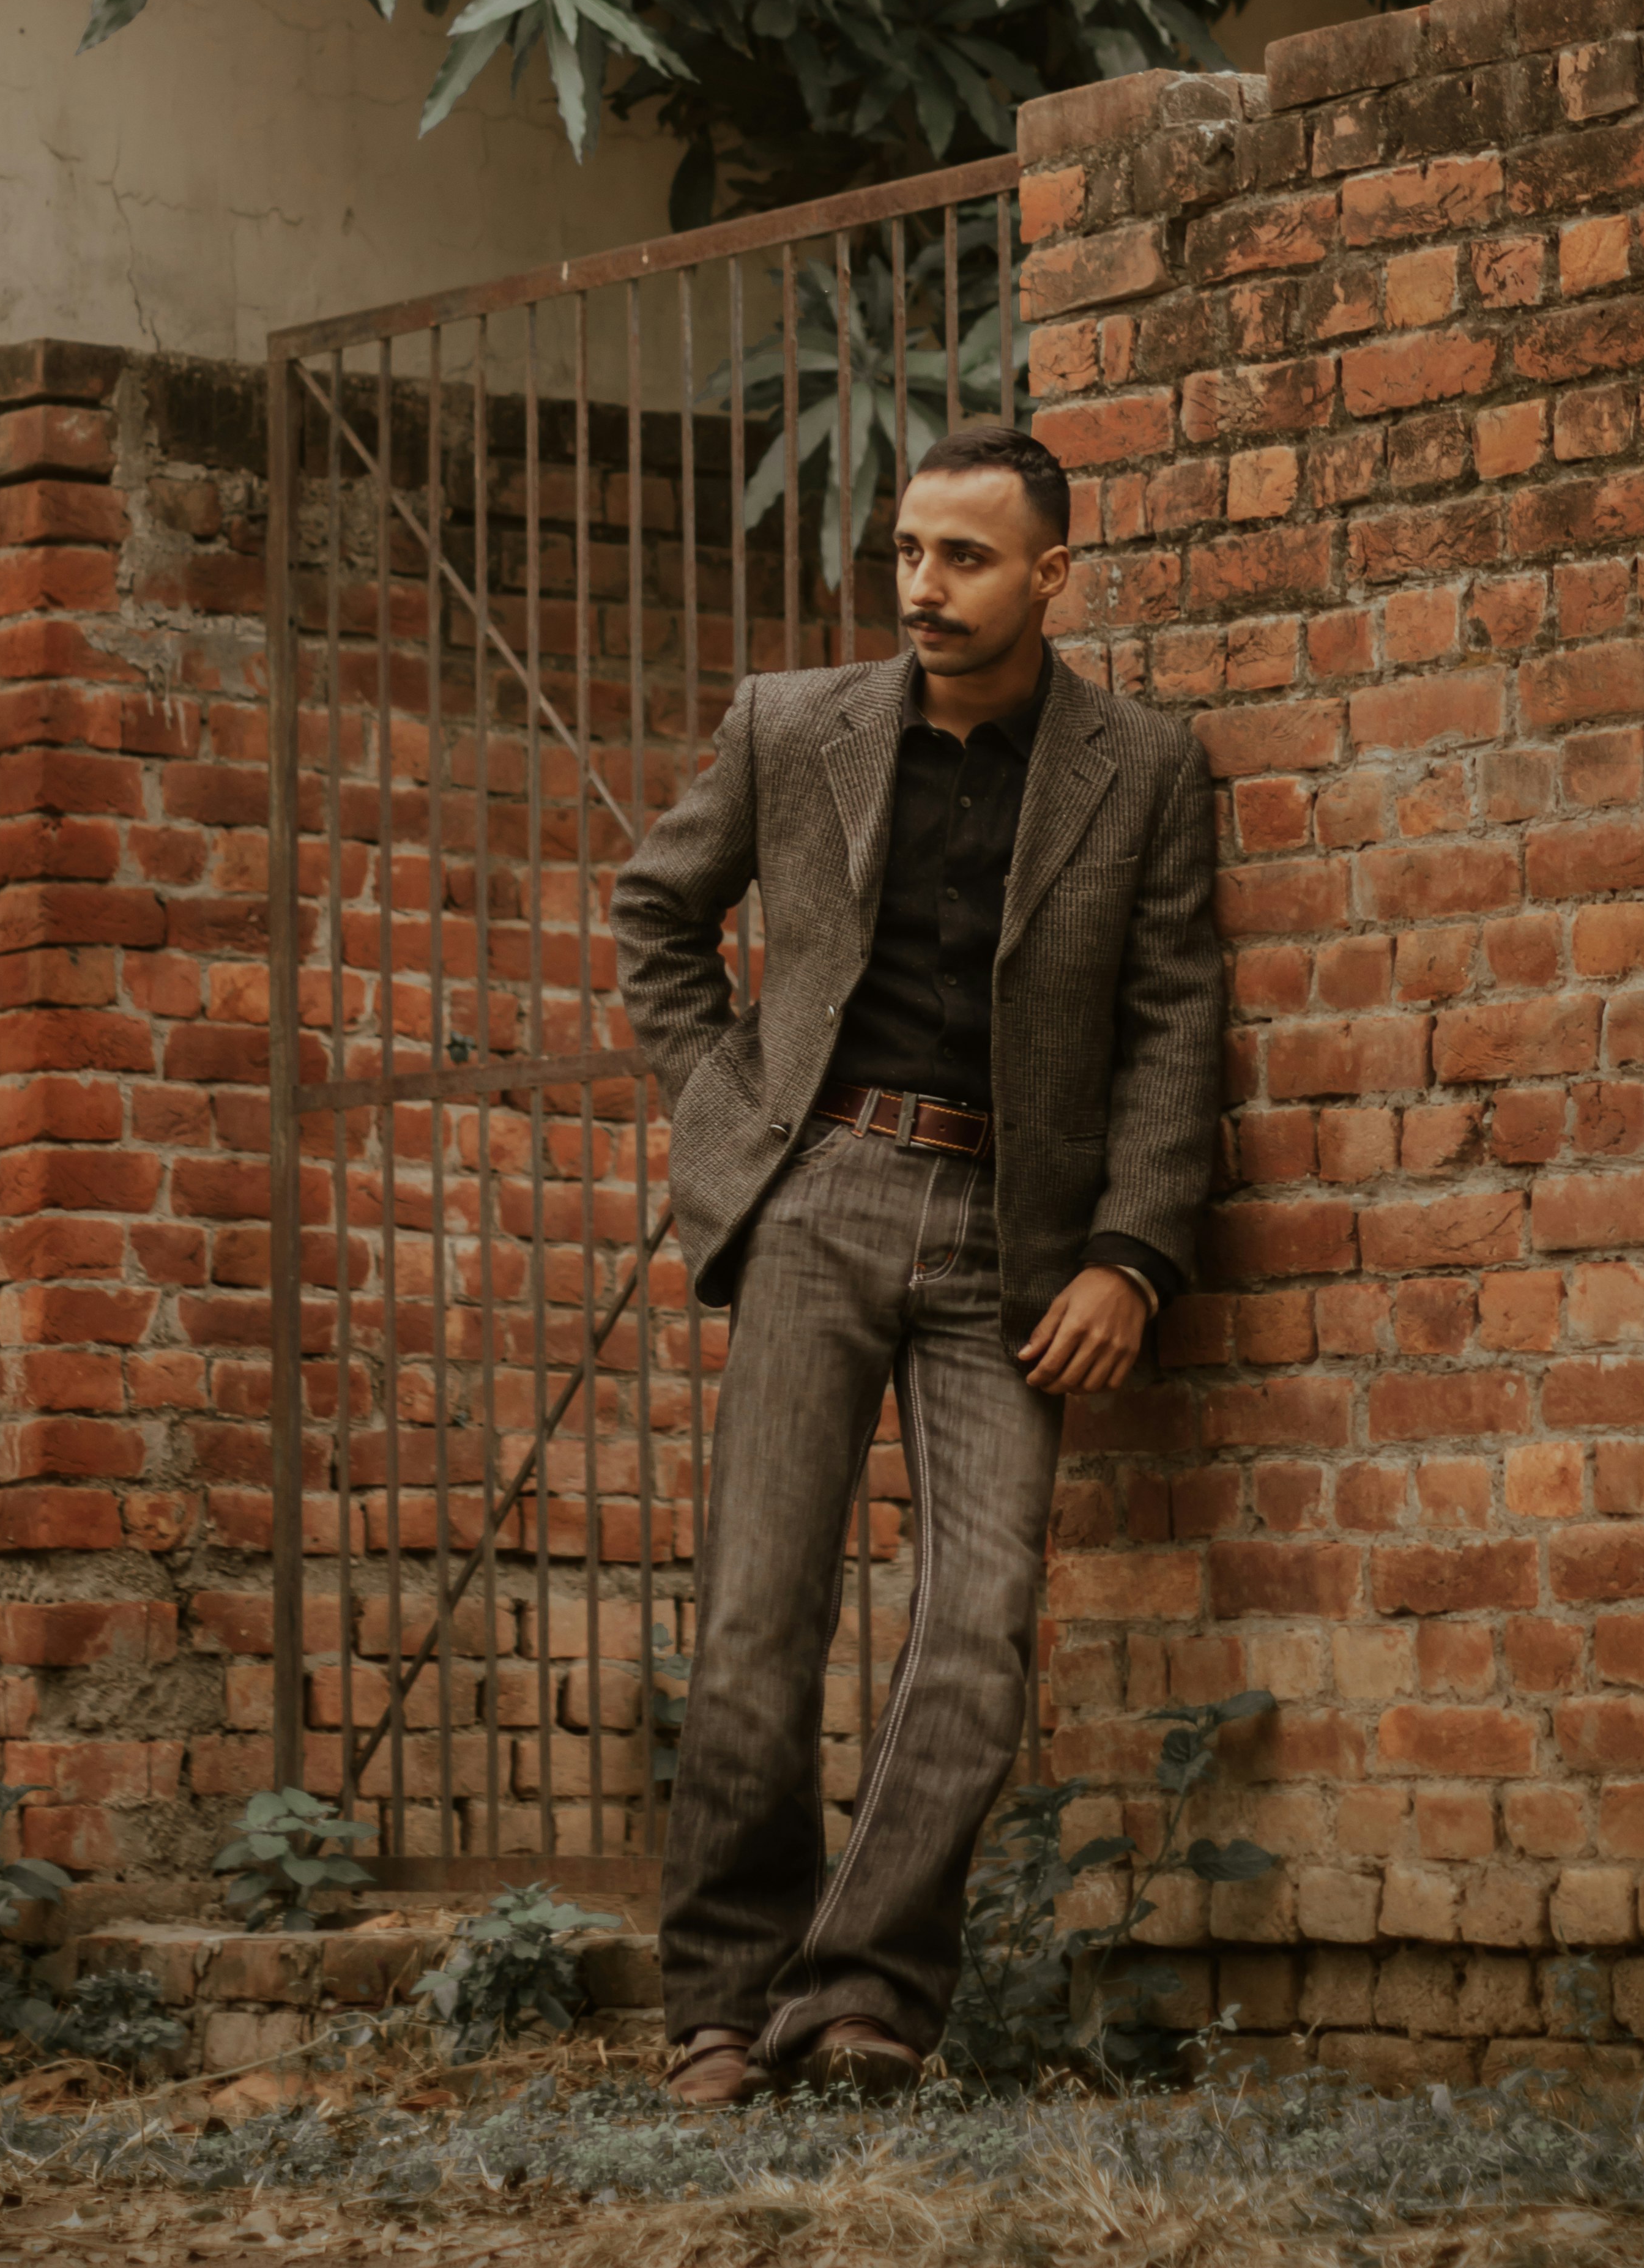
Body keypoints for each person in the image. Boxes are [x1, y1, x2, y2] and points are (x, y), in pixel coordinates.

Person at [611, 420, 1225, 2108]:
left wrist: (1132, 1255)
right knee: (758, 1621)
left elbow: (1177, 1026)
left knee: (980, 1630)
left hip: (1017, 1248)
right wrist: (733, 1121)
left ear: (1052, 574)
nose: (925, 589)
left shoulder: (1143, 769)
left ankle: (863, 1997)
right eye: (907, 554)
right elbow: (655, 918)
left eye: (964, 557)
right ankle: (723, 2013)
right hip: (822, 1195)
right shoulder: (791, 726)